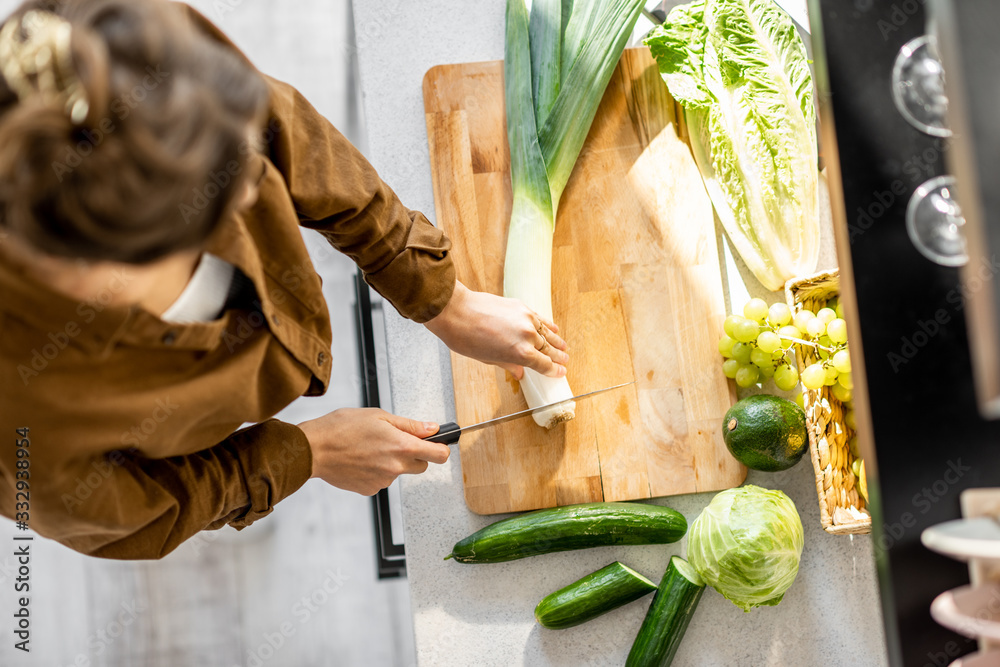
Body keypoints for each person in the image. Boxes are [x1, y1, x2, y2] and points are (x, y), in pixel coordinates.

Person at [0, 0, 569, 559]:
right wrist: (308, 453)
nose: (257, 186)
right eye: (224, 200)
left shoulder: (105, 40)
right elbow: (129, 518)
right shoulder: (28, 433)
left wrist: (443, 298)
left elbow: (280, 124)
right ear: (110, 275)